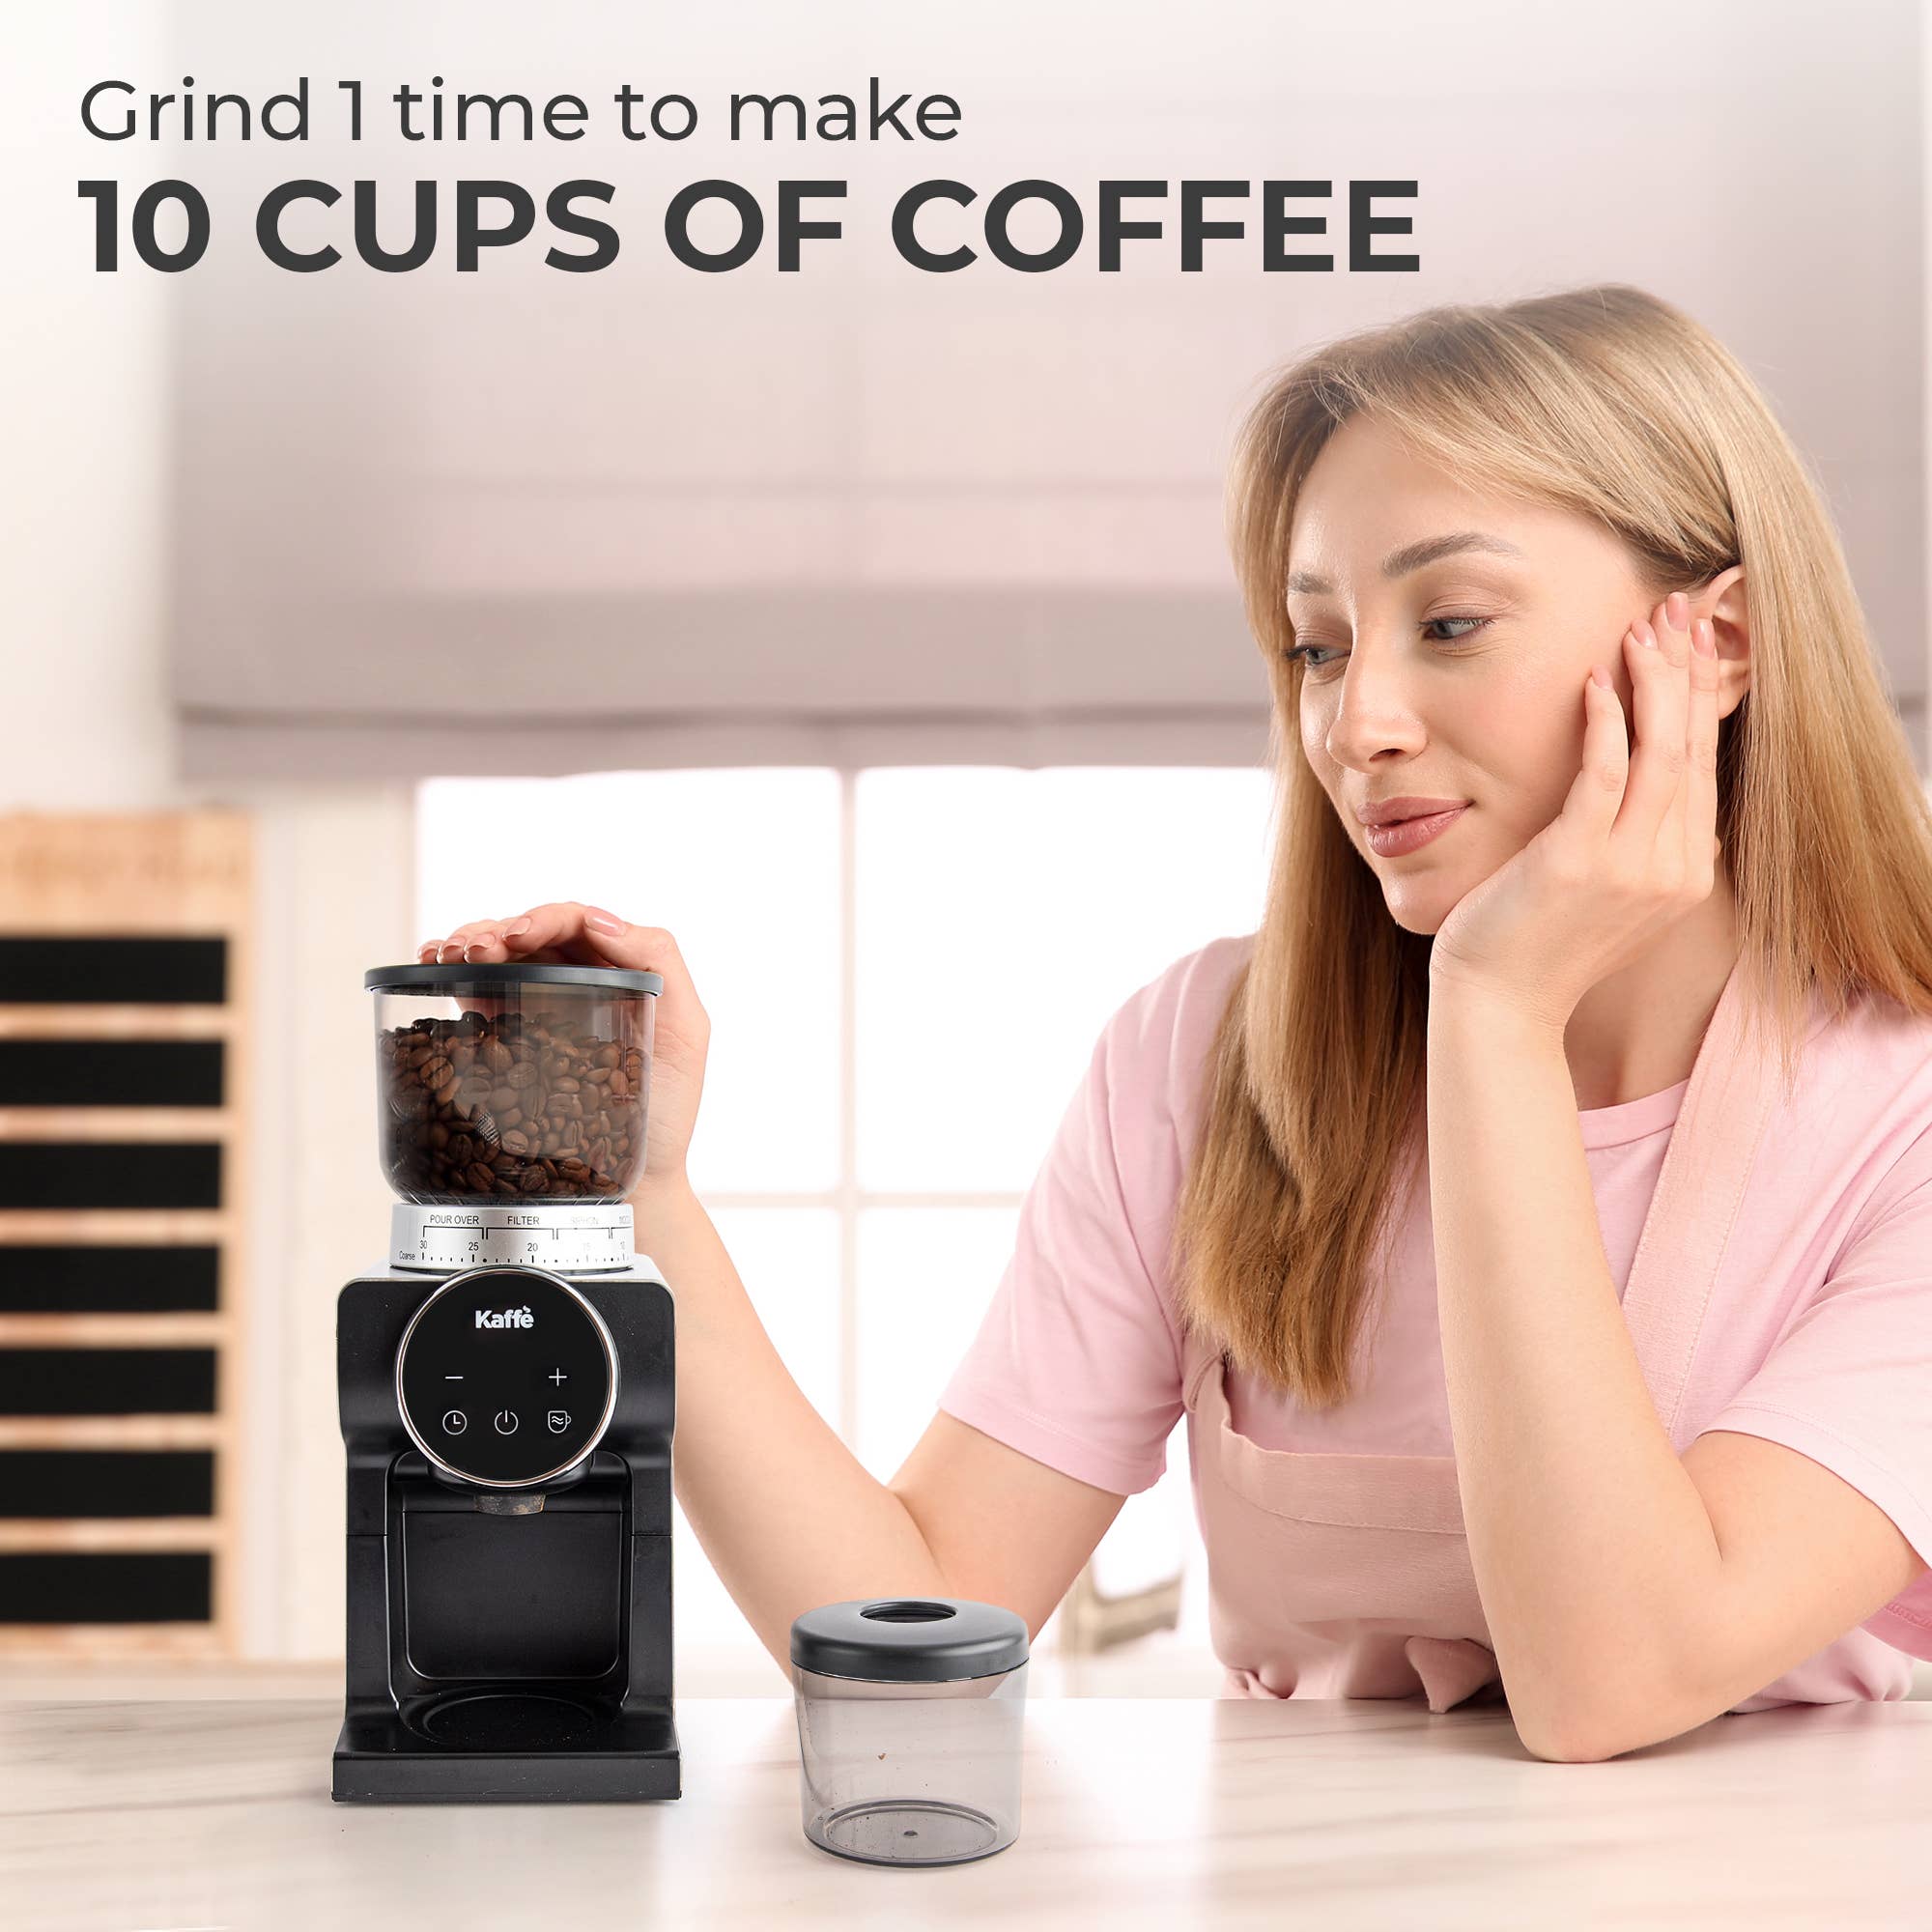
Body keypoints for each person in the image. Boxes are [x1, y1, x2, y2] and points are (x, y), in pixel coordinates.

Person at [417, 283, 1932, 1763]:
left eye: (1453, 622)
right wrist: (643, 1190)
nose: (1356, 723)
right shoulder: (1205, 1055)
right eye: (1319, 645)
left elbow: (1612, 1681)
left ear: (1716, 644)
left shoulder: (1904, 1119)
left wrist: (1494, 1010)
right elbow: (907, 1631)